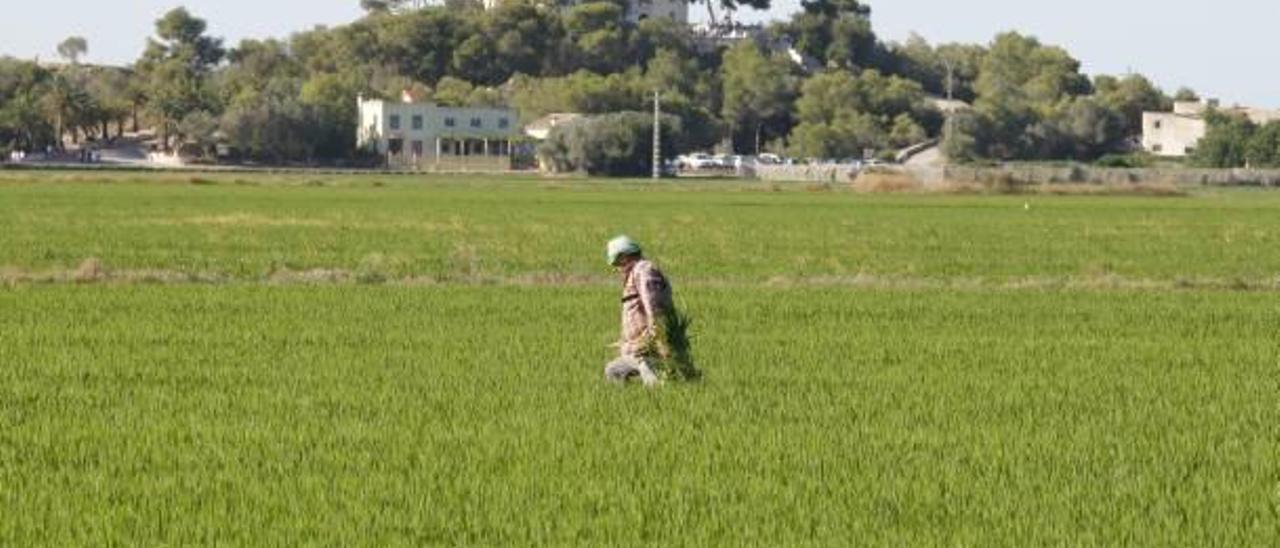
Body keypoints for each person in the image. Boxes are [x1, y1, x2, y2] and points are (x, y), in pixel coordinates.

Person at [603, 235, 674, 386]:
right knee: (613, 371)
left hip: (650, 348)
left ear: (624, 257)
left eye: (616, 263)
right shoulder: (634, 273)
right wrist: (625, 342)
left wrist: (657, 338)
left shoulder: (644, 271)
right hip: (637, 348)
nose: (616, 268)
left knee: (656, 386)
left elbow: (654, 307)